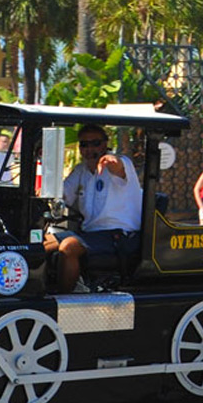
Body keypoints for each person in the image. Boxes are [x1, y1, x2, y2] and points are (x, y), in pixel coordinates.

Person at [49, 124, 142, 293]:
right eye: (84, 144)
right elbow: (61, 195)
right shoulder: (81, 170)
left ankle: (63, 300)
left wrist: (112, 161)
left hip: (119, 235)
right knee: (42, 243)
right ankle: (40, 290)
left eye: (95, 143)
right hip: (91, 234)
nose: (89, 149)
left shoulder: (122, 163)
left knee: (68, 247)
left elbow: (118, 167)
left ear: (106, 144)